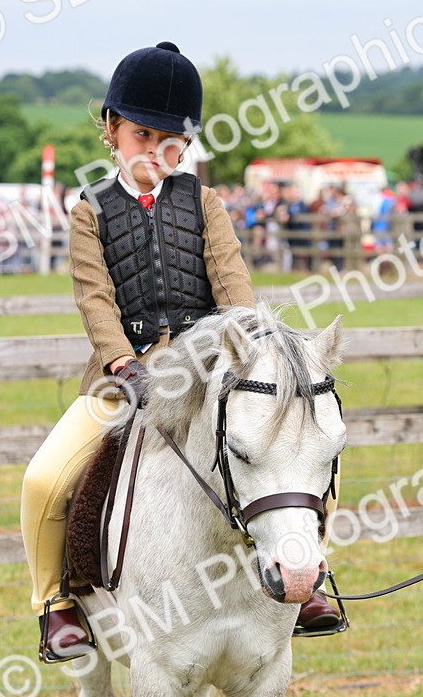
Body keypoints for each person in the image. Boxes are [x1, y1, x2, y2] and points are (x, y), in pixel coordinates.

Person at [19, 42, 343, 664]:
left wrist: (251, 347)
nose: (157, 152)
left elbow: (233, 282)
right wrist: (122, 363)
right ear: (111, 129)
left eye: (173, 142)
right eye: (143, 134)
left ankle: (305, 581)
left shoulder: (205, 202)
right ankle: (56, 600)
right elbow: (95, 299)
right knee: (44, 479)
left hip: (211, 371)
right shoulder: (89, 210)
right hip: (126, 377)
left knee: (301, 448)